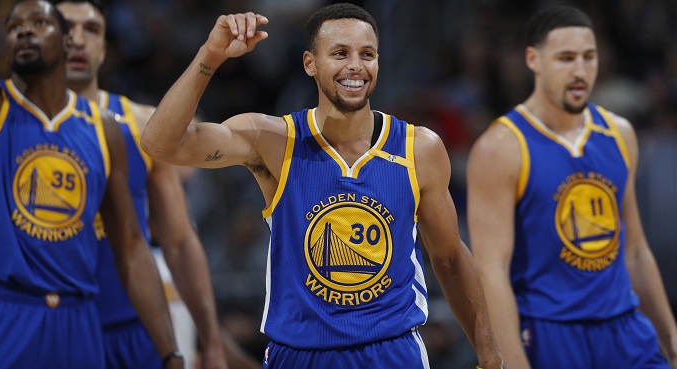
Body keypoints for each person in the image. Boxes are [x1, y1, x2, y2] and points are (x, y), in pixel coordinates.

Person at [140, 3, 502, 369]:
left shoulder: (419, 148)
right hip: (298, 355)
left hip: (392, 352)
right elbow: (160, 145)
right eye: (340, 53)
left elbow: (450, 257)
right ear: (310, 63)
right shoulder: (272, 139)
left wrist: (488, 354)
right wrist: (211, 55)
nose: (355, 66)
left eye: (367, 54)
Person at [0, 1, 182, 368]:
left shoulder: (104, 128)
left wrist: (171, 353)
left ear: (67, 42)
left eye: (38, 22)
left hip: (79, 317)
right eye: (13, 27)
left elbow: (132, 249)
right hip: (5, 312)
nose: (23, 31)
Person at [467, 5, 677, 369]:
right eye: (566, 58)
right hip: (550, 333)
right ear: (533, 59)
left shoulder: (619, 133)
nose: (580, 71)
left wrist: (671, 340)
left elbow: (636, 251)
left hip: (624, 328)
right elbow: (491, 271)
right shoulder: (500, 146)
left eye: (589, 57)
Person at [53, 1, 244, 368]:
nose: (77, 40)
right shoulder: (7, 122)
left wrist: (212, 341)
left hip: (132, 327)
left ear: (104, 48)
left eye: (91, 30)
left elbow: (179, 241)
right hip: (48, 325)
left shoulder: (140, 123)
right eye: (65, 29)